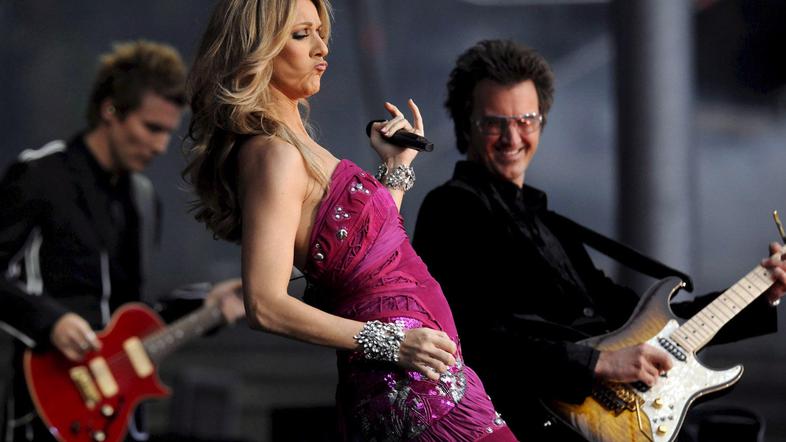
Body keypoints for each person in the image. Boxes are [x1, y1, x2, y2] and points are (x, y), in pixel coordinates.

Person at [412, 39, 786, 440]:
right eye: (494, 123)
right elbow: (465, 335)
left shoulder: (548, 223)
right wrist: (597, 364)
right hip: (527, 421)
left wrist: (761, 293)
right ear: (465, 126)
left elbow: (640, 320)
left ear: (541, 123)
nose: (512, 137)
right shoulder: (450, 208)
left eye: (525, 120)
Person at [184, 1, 516, 440]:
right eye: (301, 34)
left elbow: (364, 255)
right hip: (409, 387)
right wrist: (394, 342)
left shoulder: (293, 148)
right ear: (258, 49)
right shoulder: (274, 155)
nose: (322, 47)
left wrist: (396, 169)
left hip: (428, 377)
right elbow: (264, 305)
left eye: (320, 32)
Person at [0, 40, 245, 441]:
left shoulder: (144, 199)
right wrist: (51, 321)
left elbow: (134, 313)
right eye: (151, 128)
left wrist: (207, 303)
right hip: (49, 403)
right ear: (110, 110)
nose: (160, 146)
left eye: (168, 132)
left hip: (120, 414)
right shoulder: (41, 175)